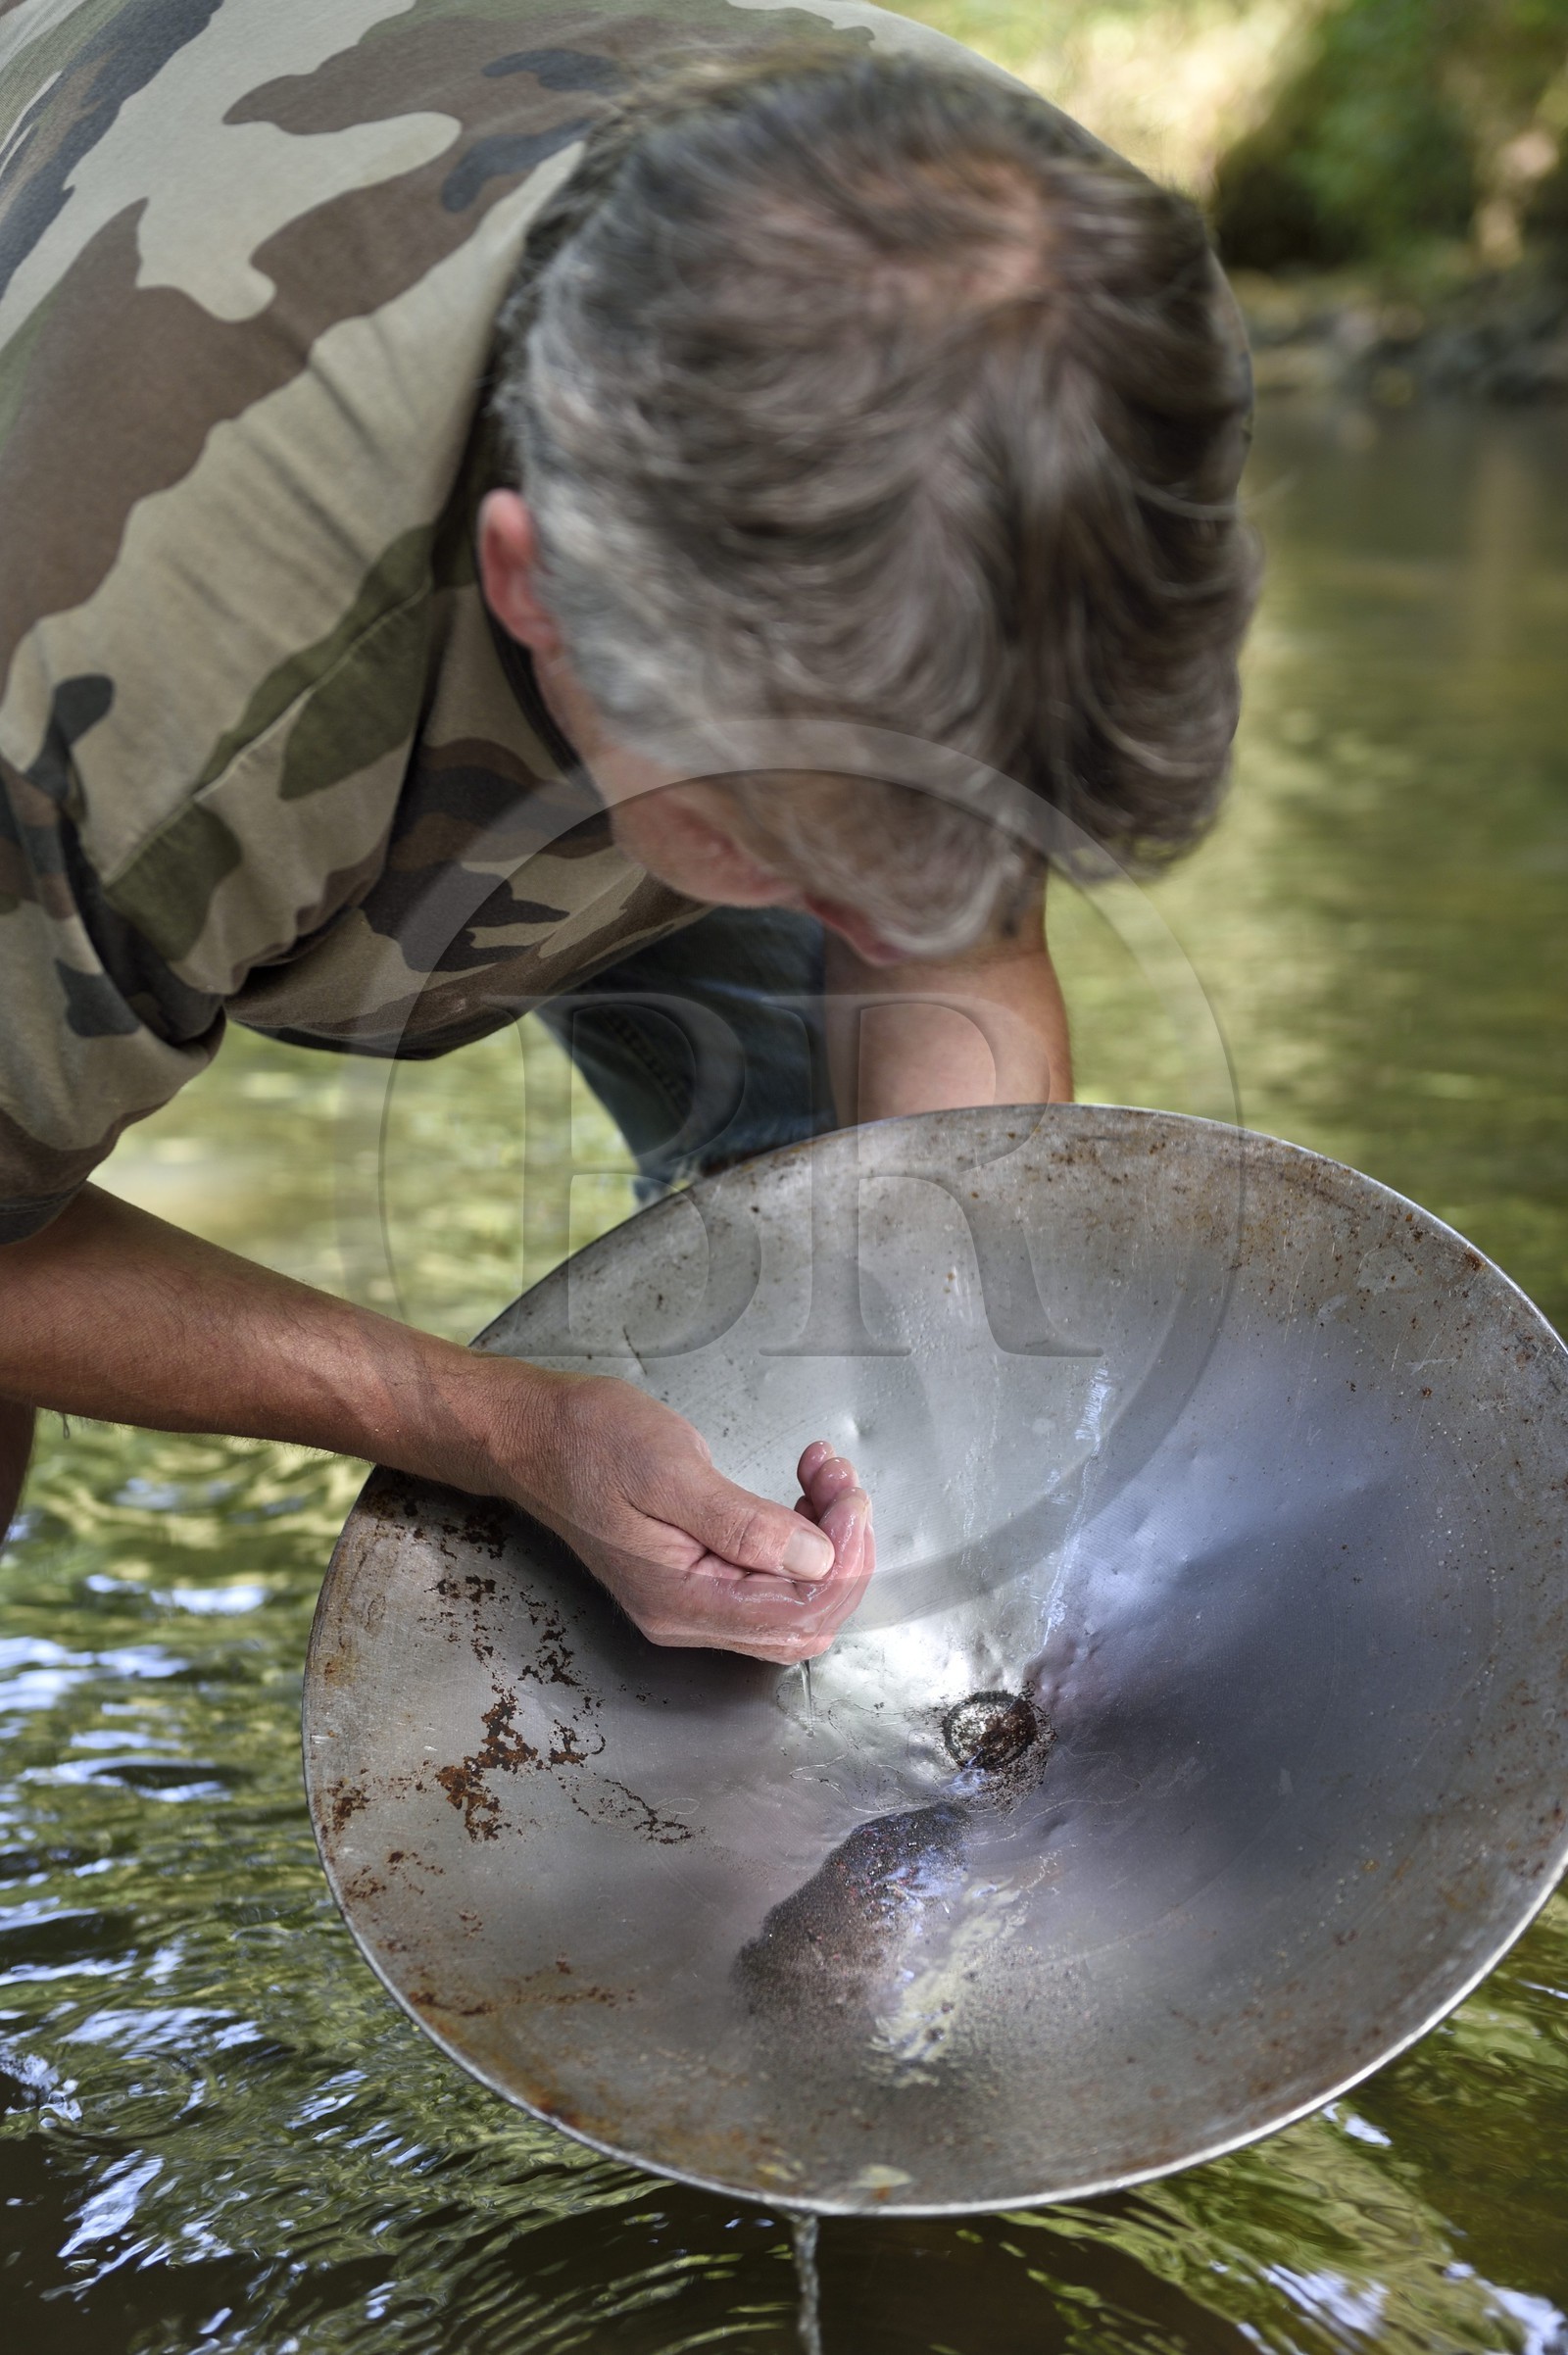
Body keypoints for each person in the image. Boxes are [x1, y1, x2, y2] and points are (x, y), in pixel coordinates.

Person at [0, 0, 1256, 1662]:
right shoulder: (102, 655)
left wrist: (947, 1361)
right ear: (535, 592)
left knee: (876, 1291)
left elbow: (950, 913)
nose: (880, 924)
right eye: (799, 850)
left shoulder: (1050, 339)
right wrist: (497, 1428)